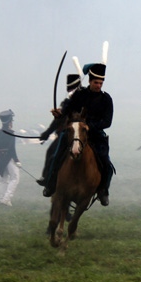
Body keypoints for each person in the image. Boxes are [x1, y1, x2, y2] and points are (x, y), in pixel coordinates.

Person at [39, 63, 114, 205]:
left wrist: (90, 126)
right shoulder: (80, 94)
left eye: (101, 83)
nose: (98, 85)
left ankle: (103, 191)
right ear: (90, 81)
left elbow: (107, 122)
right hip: (75, 132)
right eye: (96, 82)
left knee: (107, 163)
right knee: (56, 156)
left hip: (95, 135)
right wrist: (59, 113)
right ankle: (50, 185)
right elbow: (67, 109)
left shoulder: (106, 99)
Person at [0, 110, 21, 206]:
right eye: (12, 121)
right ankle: (6, 198)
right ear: (9, 122)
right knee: (15, 177)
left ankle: (2, 198)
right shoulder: (11, 133)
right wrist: (17, 160)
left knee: (3, 179)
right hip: (9, 158)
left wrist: (0, 157)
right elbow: (12, 149)